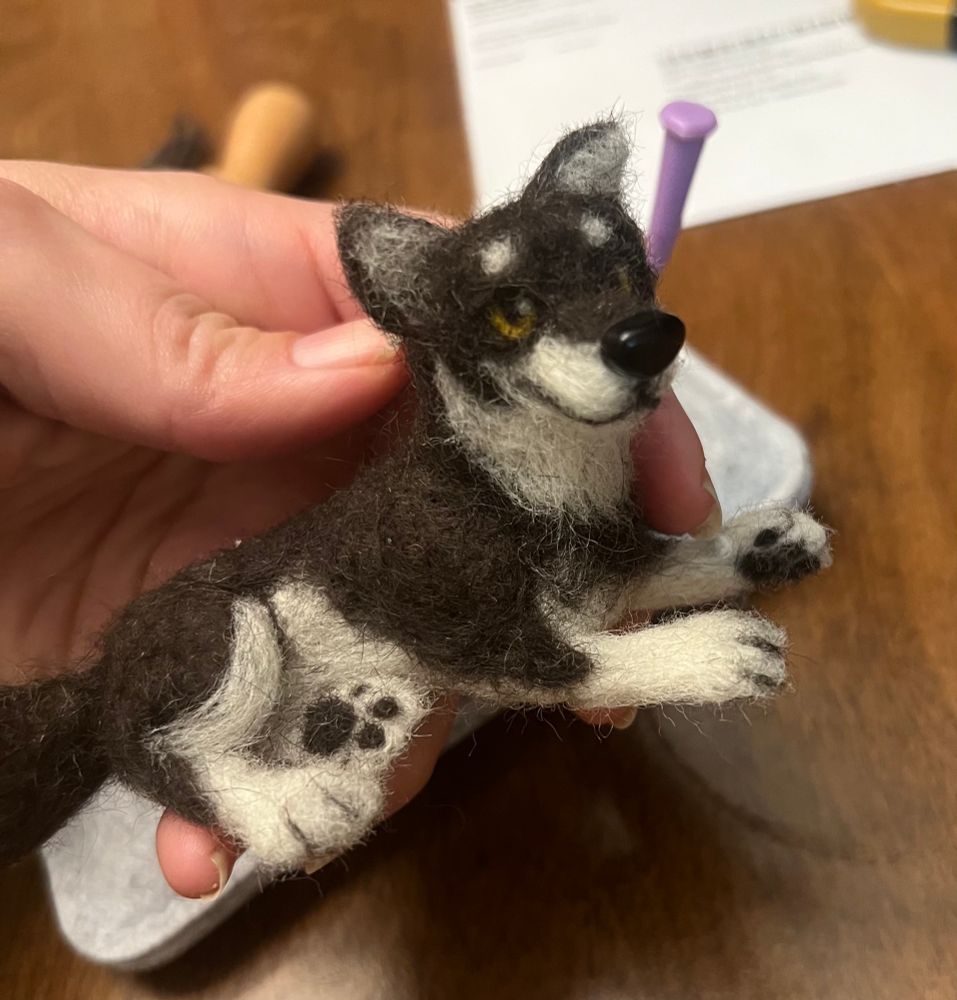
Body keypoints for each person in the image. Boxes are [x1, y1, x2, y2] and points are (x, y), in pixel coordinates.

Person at [0, 165, 721, 899]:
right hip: (234, 641)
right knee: (230, 659)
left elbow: (589, 582)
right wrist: (673, 659)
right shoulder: (440, 522)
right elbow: (498, 654)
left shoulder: (534, 497)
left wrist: (718, 563)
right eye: (513, 317)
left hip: (327, 621)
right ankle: (233, 779)